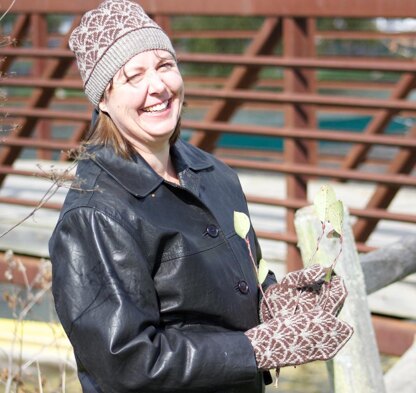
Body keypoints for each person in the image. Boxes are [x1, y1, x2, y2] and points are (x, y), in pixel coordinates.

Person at [49, 1, 353, 392]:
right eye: (132, 76)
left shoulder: (215, 174)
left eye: (164, 65)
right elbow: (127, 364)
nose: (157, 86)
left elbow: (239, 278)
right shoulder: (95, 215)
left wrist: (279, 302)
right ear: (103, 100)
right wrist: (255, 350)